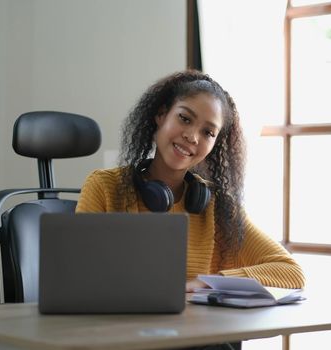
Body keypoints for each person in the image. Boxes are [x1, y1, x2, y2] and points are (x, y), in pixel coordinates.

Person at [75, 69, 305, 294]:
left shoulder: (217, 205)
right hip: (120, 328)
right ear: (161, 115)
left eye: (208, 132)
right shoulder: (104, 186)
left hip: (195, 331)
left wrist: (210, 282)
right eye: (184, 118)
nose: (192, 136)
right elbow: (79, 275)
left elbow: (291, 272)